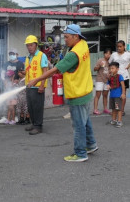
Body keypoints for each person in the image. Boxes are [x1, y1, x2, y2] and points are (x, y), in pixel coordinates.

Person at [27, 24, 97, 162]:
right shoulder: (83, 45)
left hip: (77, 92)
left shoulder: (73, 54)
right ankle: (91, 145)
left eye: (66, 37)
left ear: (76, 36)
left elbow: (56, 70)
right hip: (86, 89)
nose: (65, 40)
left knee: (78, 125)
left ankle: (80, 153)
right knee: (85, 121)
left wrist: (37, 79)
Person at [23, 35, 48, 135]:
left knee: (37, 107)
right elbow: (29, 70)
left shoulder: (42, 55)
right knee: (31, 107)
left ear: (36, 45)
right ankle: (33, 124)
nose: (29, 47)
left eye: (31, 45)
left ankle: (38, 126)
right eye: (28, 45)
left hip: (37, 87)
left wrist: (42, 85)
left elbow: (45, 71)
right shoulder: (28, 57)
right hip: (29, 86)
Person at [0, 48, 26, 124]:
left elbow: (24, 75)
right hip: (8, 85)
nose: (11, 56)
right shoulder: (6, 64)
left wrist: (19, 81)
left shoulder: (20, 64)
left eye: (13, 54)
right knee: (8, 101)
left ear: (17, 55)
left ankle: (16, 117)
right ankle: (8, 117)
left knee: (17, 101)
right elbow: (2, 74)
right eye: (10, 54)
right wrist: (4, 82)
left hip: (17, 85)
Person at [109, 40, 130, 116]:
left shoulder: (128, 54)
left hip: (124, 77)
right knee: (114, 94)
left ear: (124, 46)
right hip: (114, 77)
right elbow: (109, 63)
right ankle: (114, 110)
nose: (119, 48)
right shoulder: (114, 55)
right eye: (118, 46)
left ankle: (122, 110)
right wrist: (110, 73)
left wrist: (128, 66)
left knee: (123, 94)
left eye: (120, 46)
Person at [93, 48, 112, 115]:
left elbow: (111, 71)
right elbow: (95, 69)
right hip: (99, 80)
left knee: (105, 95)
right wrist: (99, 65)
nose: (108, 55)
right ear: (104, 54)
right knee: (98, 95)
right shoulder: (100, 60)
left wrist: (110, 75)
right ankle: (95, 109)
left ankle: (105, 109)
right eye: (106, 53)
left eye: (109, 54)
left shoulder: (110, 62)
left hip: (106, 81)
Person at [107, 62, 126, 128]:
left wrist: (123, 93)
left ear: (117, 69)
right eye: (110, 69)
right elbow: (108, 83)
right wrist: (108, 86)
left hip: (118, 96)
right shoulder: (110, 77)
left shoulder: (119, 76)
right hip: (112, 95)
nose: (111, 70)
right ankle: (114, 120)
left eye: (112, 68)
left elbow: (123, 86)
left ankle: (119, 121)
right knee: (113, 108)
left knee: (118, 109)